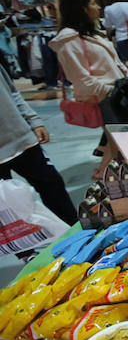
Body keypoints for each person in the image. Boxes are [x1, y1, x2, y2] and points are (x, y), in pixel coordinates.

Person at [50, 0, 128, 177]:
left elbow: (113, 61)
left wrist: (126, 80)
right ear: (83, 9)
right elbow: (80, 78)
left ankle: (105, 172)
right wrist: (109, 90)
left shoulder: (89, 32)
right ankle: (112, 179)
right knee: (121, 138)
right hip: (106, 96)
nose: (98, 6)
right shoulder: (68, 40)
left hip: (118, 91)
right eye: (93, 3)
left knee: (118, 138)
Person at [0, 66, 77, 225]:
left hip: (21, 137)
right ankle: (25, 250)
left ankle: (77, 234)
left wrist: (33, 121)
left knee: (52, 186)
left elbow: (12, 91)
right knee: (7, 208)